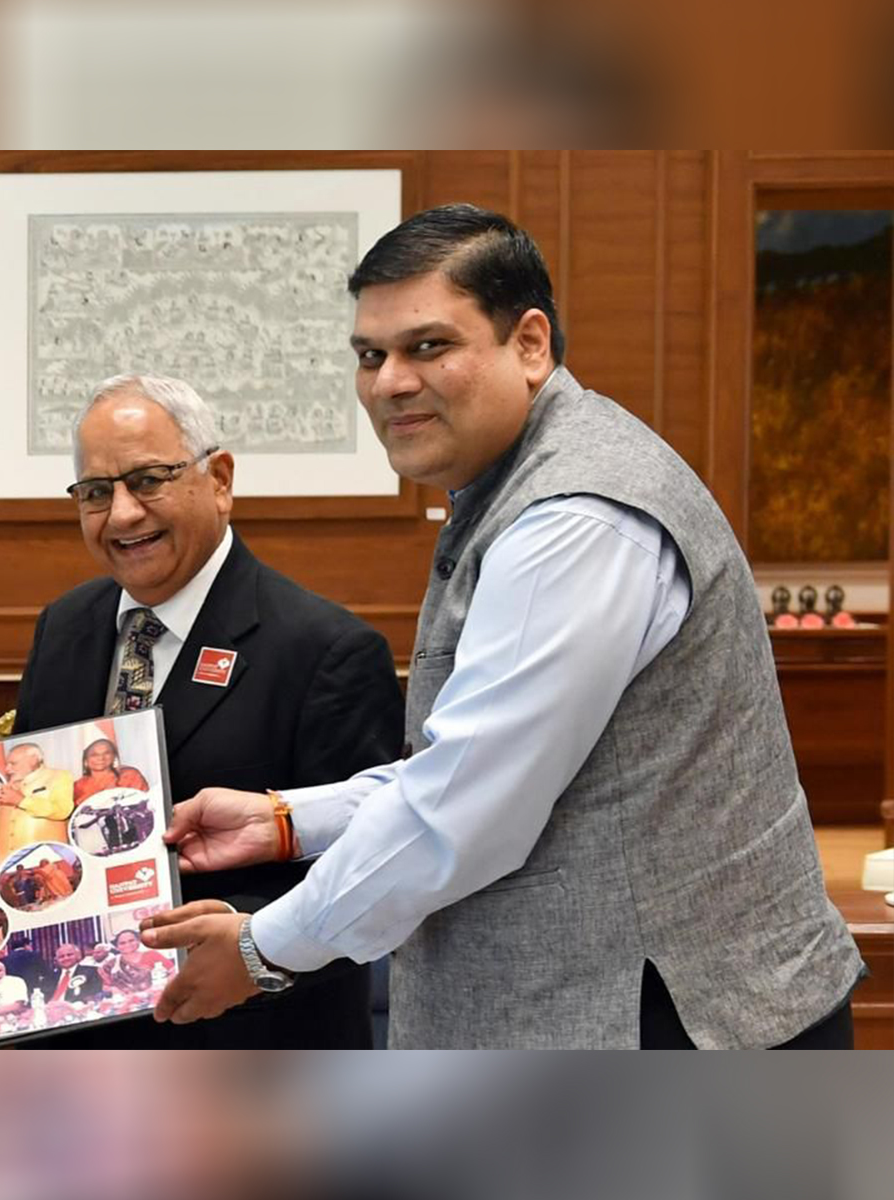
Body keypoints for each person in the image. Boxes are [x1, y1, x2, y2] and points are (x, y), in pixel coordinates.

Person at [140, 204, 865, 1049]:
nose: (389, 382)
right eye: (370, 355)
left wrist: (264, 951)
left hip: (680, 1027)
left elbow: (467, 808)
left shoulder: (576, 520)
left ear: (529, 343)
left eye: (428, 347)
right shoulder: (513, 485)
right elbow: (468, 766)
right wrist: (287, 821)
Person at [15, 372, 404, 1048]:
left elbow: (368, 879)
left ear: (219, 479)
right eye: (97, 493)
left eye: (148, 480)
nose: (123, 514)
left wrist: (239, 935)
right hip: (75, 1038)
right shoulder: (65, 627)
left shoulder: (326, 653)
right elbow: (38, 818)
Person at [0, 743, 74, 866]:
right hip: (7, 867)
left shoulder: (58, 776)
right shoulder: (6, 788)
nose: (7, 769)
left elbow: (63, 811)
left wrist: (21, 801)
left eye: (13, 764)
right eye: (7, 764)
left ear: (33, 760)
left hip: (47, 862)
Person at [72, 738, 149, 803]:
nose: (101, 758)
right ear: (85, 760)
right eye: (94, 755)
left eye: (106, 753)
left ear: (114, 756)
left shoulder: (130, 775)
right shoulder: (77, 786)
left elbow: (144, 801)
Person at [105, 929, 173, 995]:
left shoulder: (152, 955)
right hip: (127, 1001)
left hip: (155, 996)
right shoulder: (111, 964)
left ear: (138, 941)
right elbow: (106, 986)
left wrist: (160, 987)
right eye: (122, 943)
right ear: (117, 947)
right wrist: (115, 991)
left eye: (131, 940)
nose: (128, 944)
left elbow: (173, 972)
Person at [45, 941, 106, 1006]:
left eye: (69, 955)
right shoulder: (50, 976)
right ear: (57, 960)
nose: (66, 958)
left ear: (78, 956)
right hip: (49, 1009)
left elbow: (94, 994)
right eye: (61, 957)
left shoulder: (92, 971)